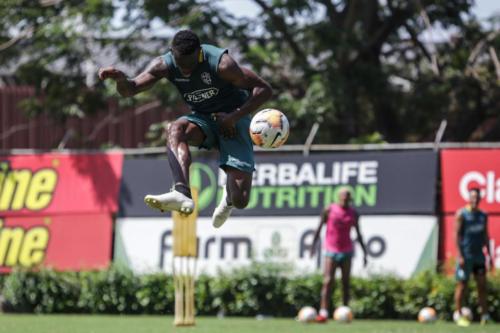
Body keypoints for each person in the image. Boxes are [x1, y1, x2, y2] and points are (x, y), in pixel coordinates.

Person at [98, 30, 272, 227]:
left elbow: (264, 89)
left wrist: (234, 117)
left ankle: (229, 197)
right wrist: (121, 79)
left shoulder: (222, 64)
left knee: (241, 200)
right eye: (181, 65)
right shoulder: (164, 64)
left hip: (232, 117)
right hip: (203, 119)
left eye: (190, 65)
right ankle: (181, 192)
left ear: (199, 52)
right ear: (172, 53)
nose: (186, 71)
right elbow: (131, 89)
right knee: (175, 129)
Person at [311, 188, 368, 323]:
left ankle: (345, 311)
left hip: (347, 250)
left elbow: (359, 234)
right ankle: (323, 312)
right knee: (328, 281)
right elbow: (319, 227)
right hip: (331, 250)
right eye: (343, 196)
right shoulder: (329, 209)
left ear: (350, 198)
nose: (345, 198)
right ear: (338, 197)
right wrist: (313, 246)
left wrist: (365, 253)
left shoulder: (353, 213)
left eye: (347, 196)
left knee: (345, 282)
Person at [454, 187, 493, 326]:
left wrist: (490, 255)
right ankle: (458, 315)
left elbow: (486, 236)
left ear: (480, 199)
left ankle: (485, 316)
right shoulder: (462, 214)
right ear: (468, 198)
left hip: (479, 257)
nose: (474, 199)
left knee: (482, 286)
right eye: (472, 197)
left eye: (477, 197)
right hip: (466, 256)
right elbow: (457, 236)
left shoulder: (483, 215)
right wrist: (460, 256)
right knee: (462, 286)